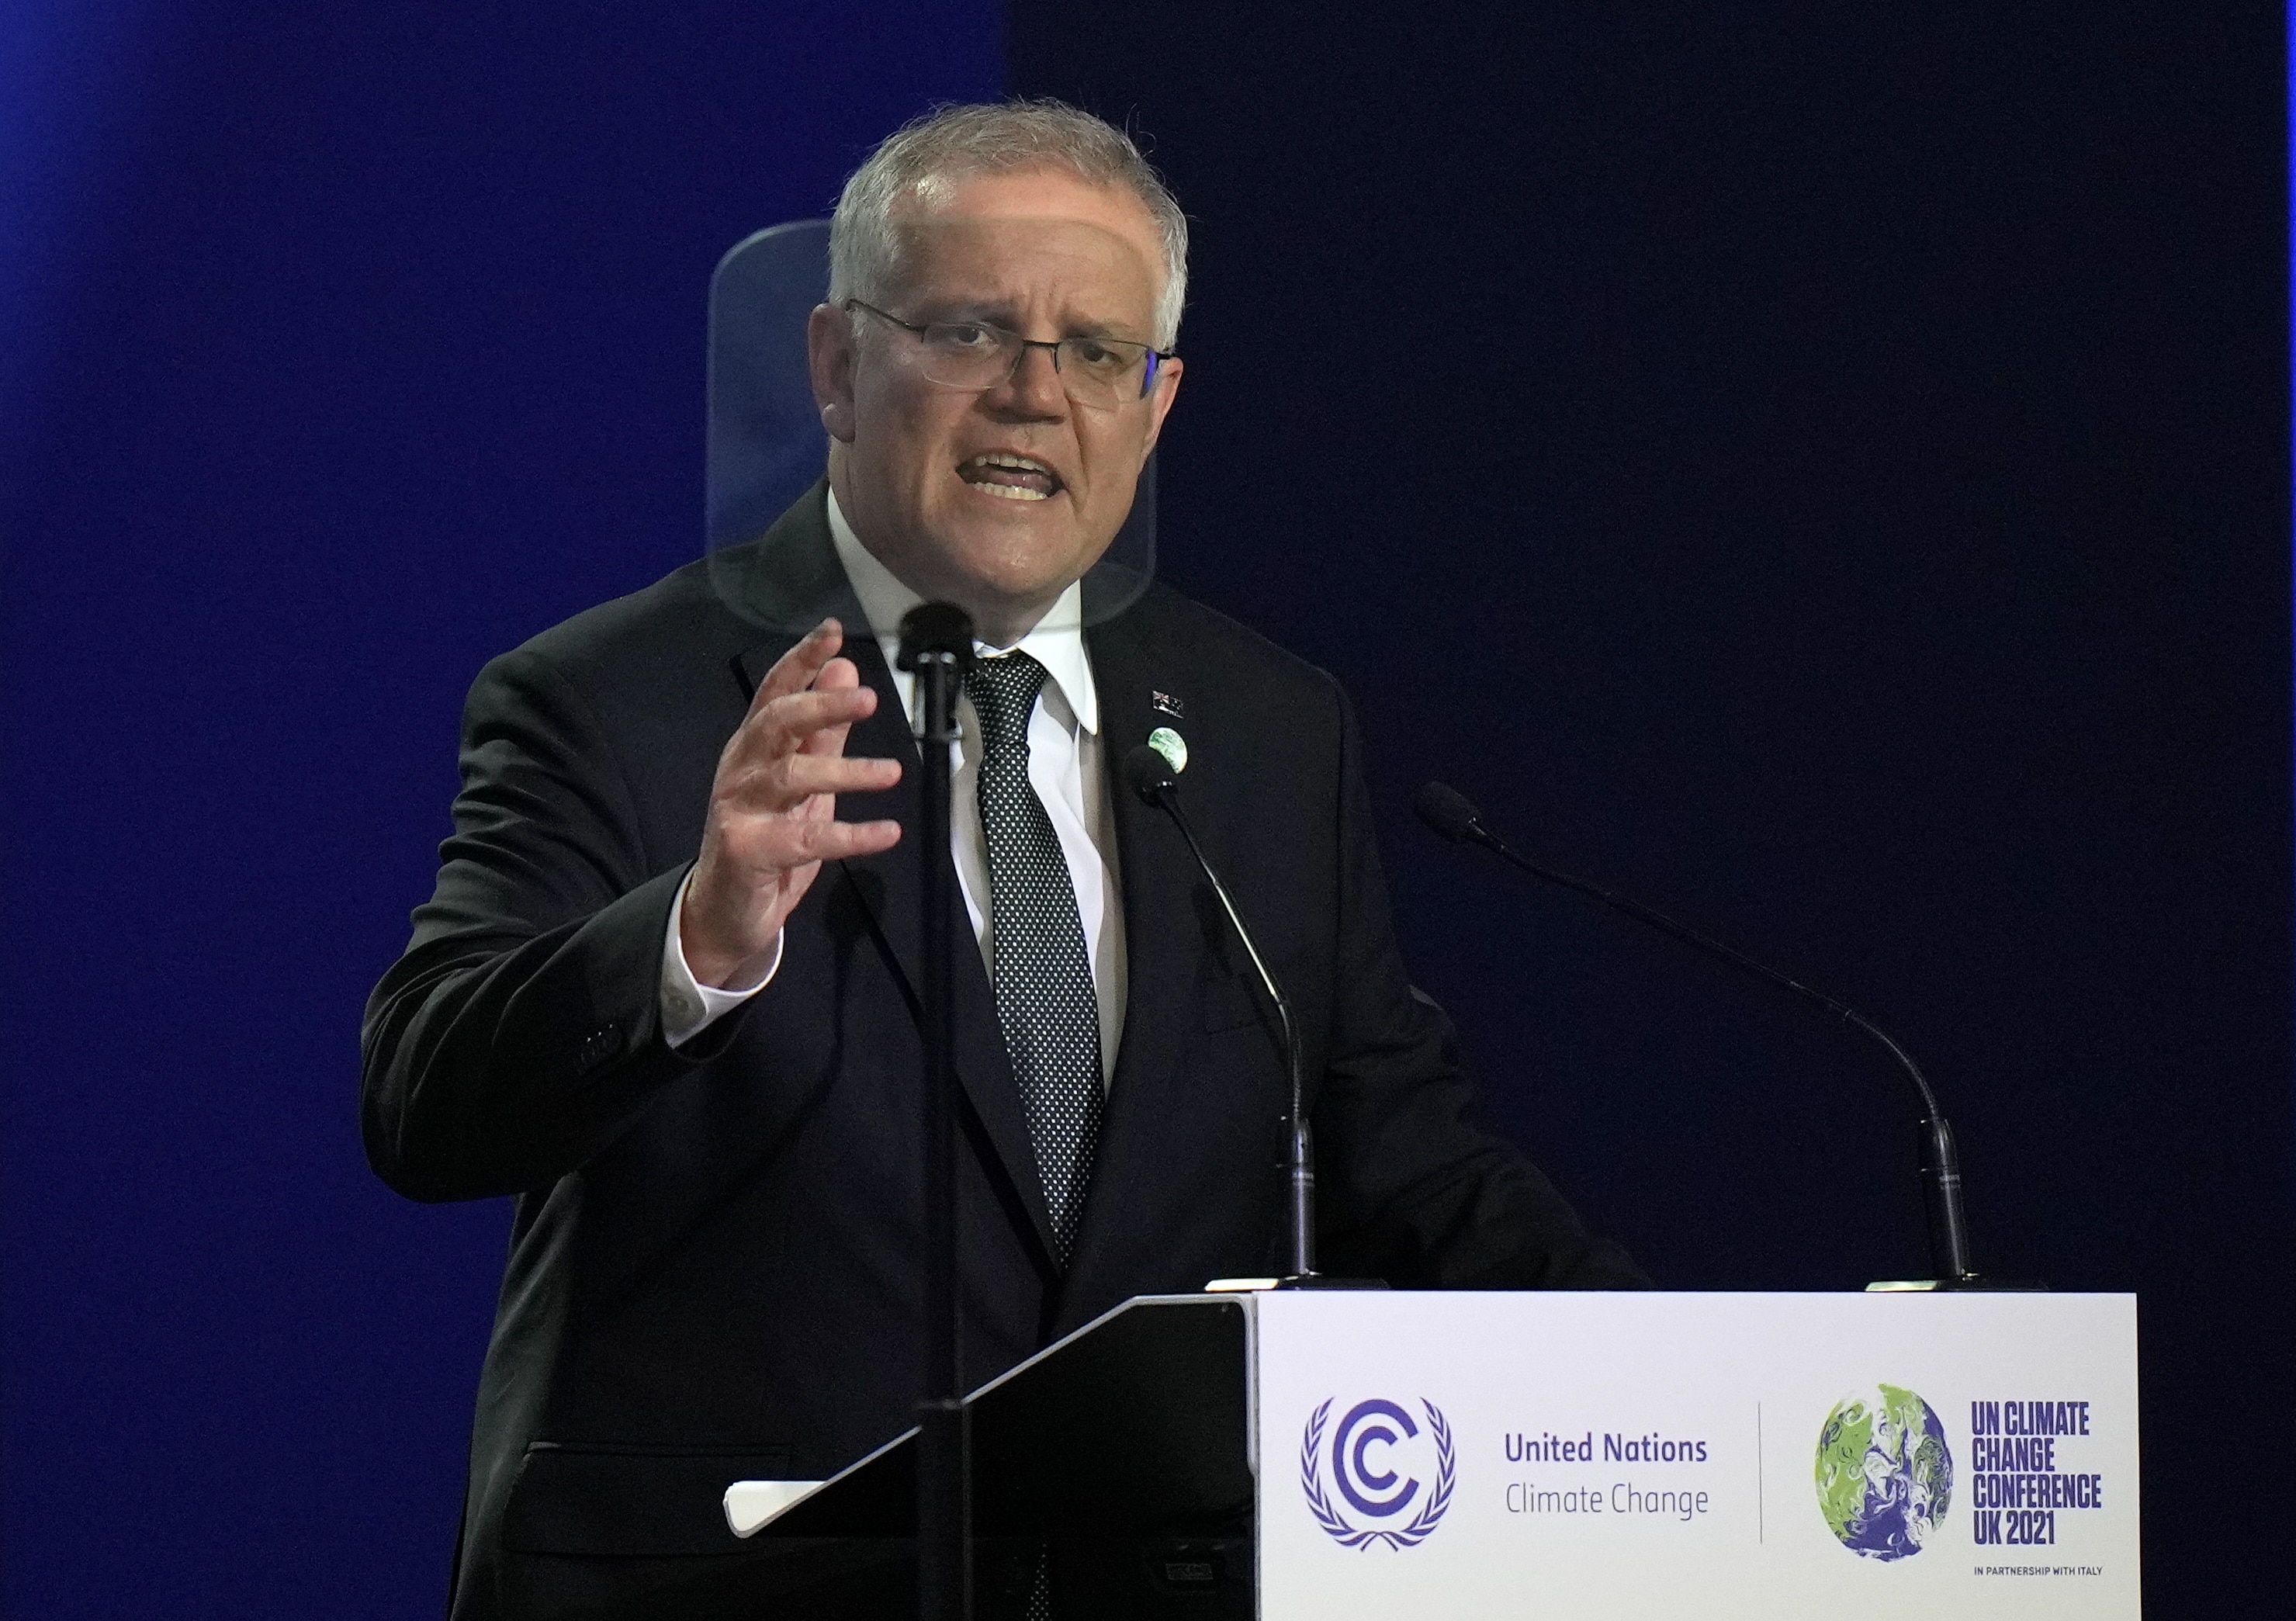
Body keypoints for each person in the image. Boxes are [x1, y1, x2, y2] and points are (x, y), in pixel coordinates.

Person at [362, 99, 1643, 1620]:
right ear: (837, 365)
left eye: (1095, 350)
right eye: (972, 329)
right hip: (724, 1591)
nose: (1036, 395)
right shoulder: (617, 696)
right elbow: (424, 1101)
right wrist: (696, 937)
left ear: (1157, 403)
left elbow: (1399, 1157)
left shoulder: (1263, 727)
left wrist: (1688, 1385)